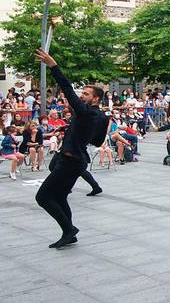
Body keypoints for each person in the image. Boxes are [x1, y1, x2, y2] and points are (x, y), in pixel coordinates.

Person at [34, 48, 104, 249]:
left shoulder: (88, 113)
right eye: (82, 93)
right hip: (72, 159)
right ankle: (68, 233)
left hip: (71, 160)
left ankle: (69, 230)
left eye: (86, 94)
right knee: (60, 196)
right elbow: (98, 142)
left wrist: (54, 66)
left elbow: (67, 90)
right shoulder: (95, 116)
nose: (82, 96)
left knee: (43, 197)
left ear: (96, 99)